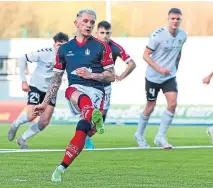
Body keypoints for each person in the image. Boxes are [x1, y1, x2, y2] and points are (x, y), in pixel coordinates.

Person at [33, 9, 115, 182]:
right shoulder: (65, 49)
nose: (89, 25)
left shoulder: (101, 46)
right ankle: (93, 115)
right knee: (70, 90)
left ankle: (60, 168)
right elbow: (56, 80)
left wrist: (91, 75)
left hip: (97, 92)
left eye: (92, 22)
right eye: (85, 21)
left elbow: (111, 75)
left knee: (84, 129)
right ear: (76, 23)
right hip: (76, 90)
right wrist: (45, 103)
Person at [134, 8, 187, 149]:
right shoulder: (158, 35)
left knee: (173, 104)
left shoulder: (183, 35)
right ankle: (139, 135)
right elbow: (145, 55)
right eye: (173, 18)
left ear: (181, 20)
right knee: (150, 106)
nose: (175, 21)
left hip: (169, 76)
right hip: (153, 76)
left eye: (178, 19)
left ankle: (160, 136)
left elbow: (179, 51)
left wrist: (175, 66)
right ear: (168, 19)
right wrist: (159, 69)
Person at [8, 32, 69, 149]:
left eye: (64, 46)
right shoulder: (45, 53)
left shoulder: (68, 56)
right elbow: (22, 58)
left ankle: (22, 139)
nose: (61, 48)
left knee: (44, 121)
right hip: (36, 86)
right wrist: (23, 81)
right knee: (31, 117)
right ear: (54, 45)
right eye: (59, 45)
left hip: (51, 91)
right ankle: (16, 124)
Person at [85, 20, 136, 149]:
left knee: (102, 116)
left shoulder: (115, 47)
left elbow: (132, 63)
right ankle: (82, 138)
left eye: (108, 33)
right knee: (89, 112)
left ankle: (87, 137)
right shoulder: (88, 44)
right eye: (102, 33)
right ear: (97, 33)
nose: (105, 35)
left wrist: (122, 76)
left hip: (105, 87)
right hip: (89, 85)